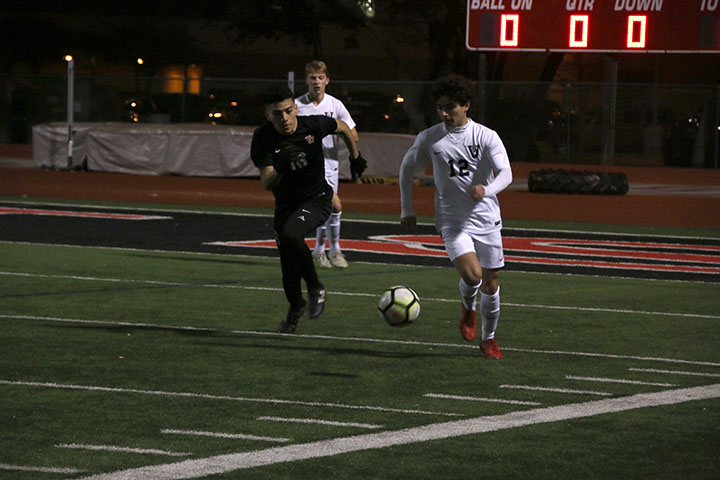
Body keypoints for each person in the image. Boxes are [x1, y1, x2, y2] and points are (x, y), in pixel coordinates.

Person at [399, 75, 513, 359]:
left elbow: (506, 173)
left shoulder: (487, 136)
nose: (444, 113)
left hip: (486, 218)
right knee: (473, 275)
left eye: (450, 107)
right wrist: (406, 208)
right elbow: (406, 168)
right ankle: (468, 307)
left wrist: (486, 190)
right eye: (440, 108)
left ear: (466, 105)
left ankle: (489, 339)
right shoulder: (430, 138)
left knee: (492, 280)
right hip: (452, 220)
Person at [251, 85, 362, 333]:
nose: (285, 118)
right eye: (277, 113)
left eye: (289, 111)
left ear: (296, 108)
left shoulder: (312, 125)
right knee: (288, 267)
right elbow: (267, 182)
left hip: (317, 199)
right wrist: (283, 167)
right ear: (268, 114)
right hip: (286, 205)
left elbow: (343, 127)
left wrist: (355, 157)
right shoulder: (263, 138)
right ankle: (295, 307)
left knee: (292, 234)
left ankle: (315, 287)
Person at [295, 60, 364, 269]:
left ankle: (320, 251)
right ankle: (332, 249)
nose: (316, 82)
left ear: (327, 80)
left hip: (331, 165)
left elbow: (354, 134)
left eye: (320, 78)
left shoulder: (335, 105)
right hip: (308, 167)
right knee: (333, 205)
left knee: (330, 210)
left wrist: (334, 128)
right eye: (312, 78)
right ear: (306, 80)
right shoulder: (297, 106)